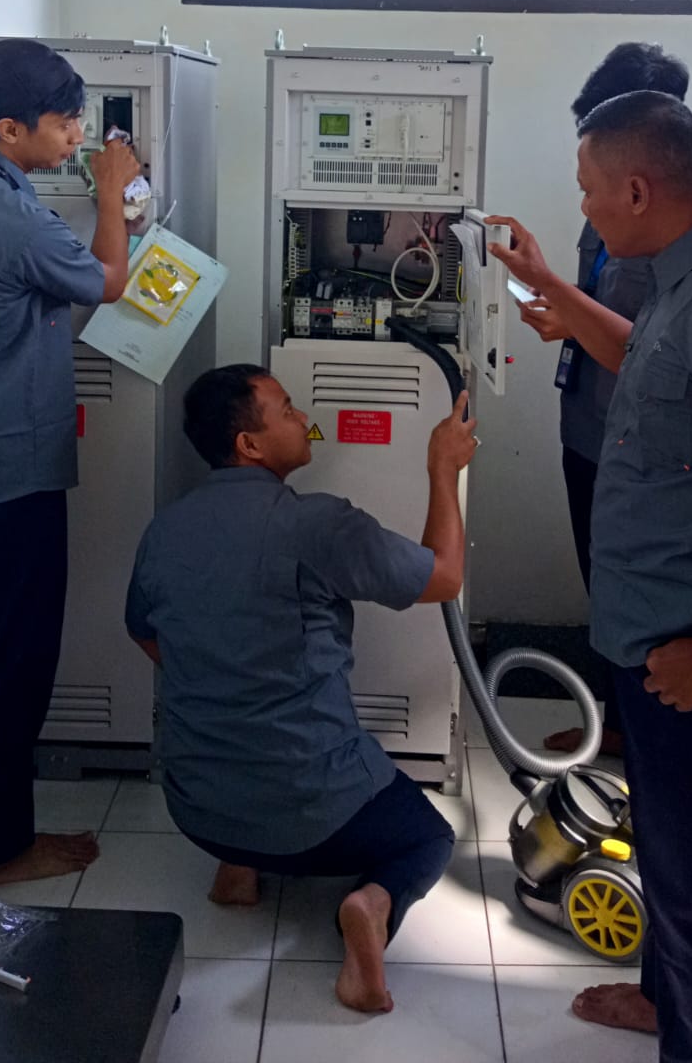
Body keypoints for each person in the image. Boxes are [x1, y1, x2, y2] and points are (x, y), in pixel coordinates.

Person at [487, 91, 692, 1063]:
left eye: (590, 191)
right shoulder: (686, 274)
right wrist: (552, 285)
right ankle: (669, 1007)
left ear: (636, 188)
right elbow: (650, 360)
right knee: (680, 873)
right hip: (650, 640)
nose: (584, 207)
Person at [125, 364, 478, 1014]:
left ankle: (238, 871)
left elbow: (145, 633)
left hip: (196, 808)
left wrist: (225, 682)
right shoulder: (317, 524)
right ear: (249, 446)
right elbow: (445, 576)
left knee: (249, 775)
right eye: (285, 408)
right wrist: (442, 468)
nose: (301, 415)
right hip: (312, 811)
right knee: (428, 836)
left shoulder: (164, 529)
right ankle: (371, 908)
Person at [0, 38, 140, 885]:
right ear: (9, 127)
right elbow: (106, 280)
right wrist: (109, 193)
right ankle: (2, 848)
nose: (76, 136)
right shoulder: (10, 216)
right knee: (14, 661)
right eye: (64, 125)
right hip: (9, 471)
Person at [516, 43, 689, 756]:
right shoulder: (610, 209)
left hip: (635, 441)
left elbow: (644, 346)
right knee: (603, 581)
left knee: (633, 591)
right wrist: (565, 307)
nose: (589, 194)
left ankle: (641, 733)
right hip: (587, 424)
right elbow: (603, 304)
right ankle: (620, 725)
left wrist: (562, 304)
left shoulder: (683, 238)